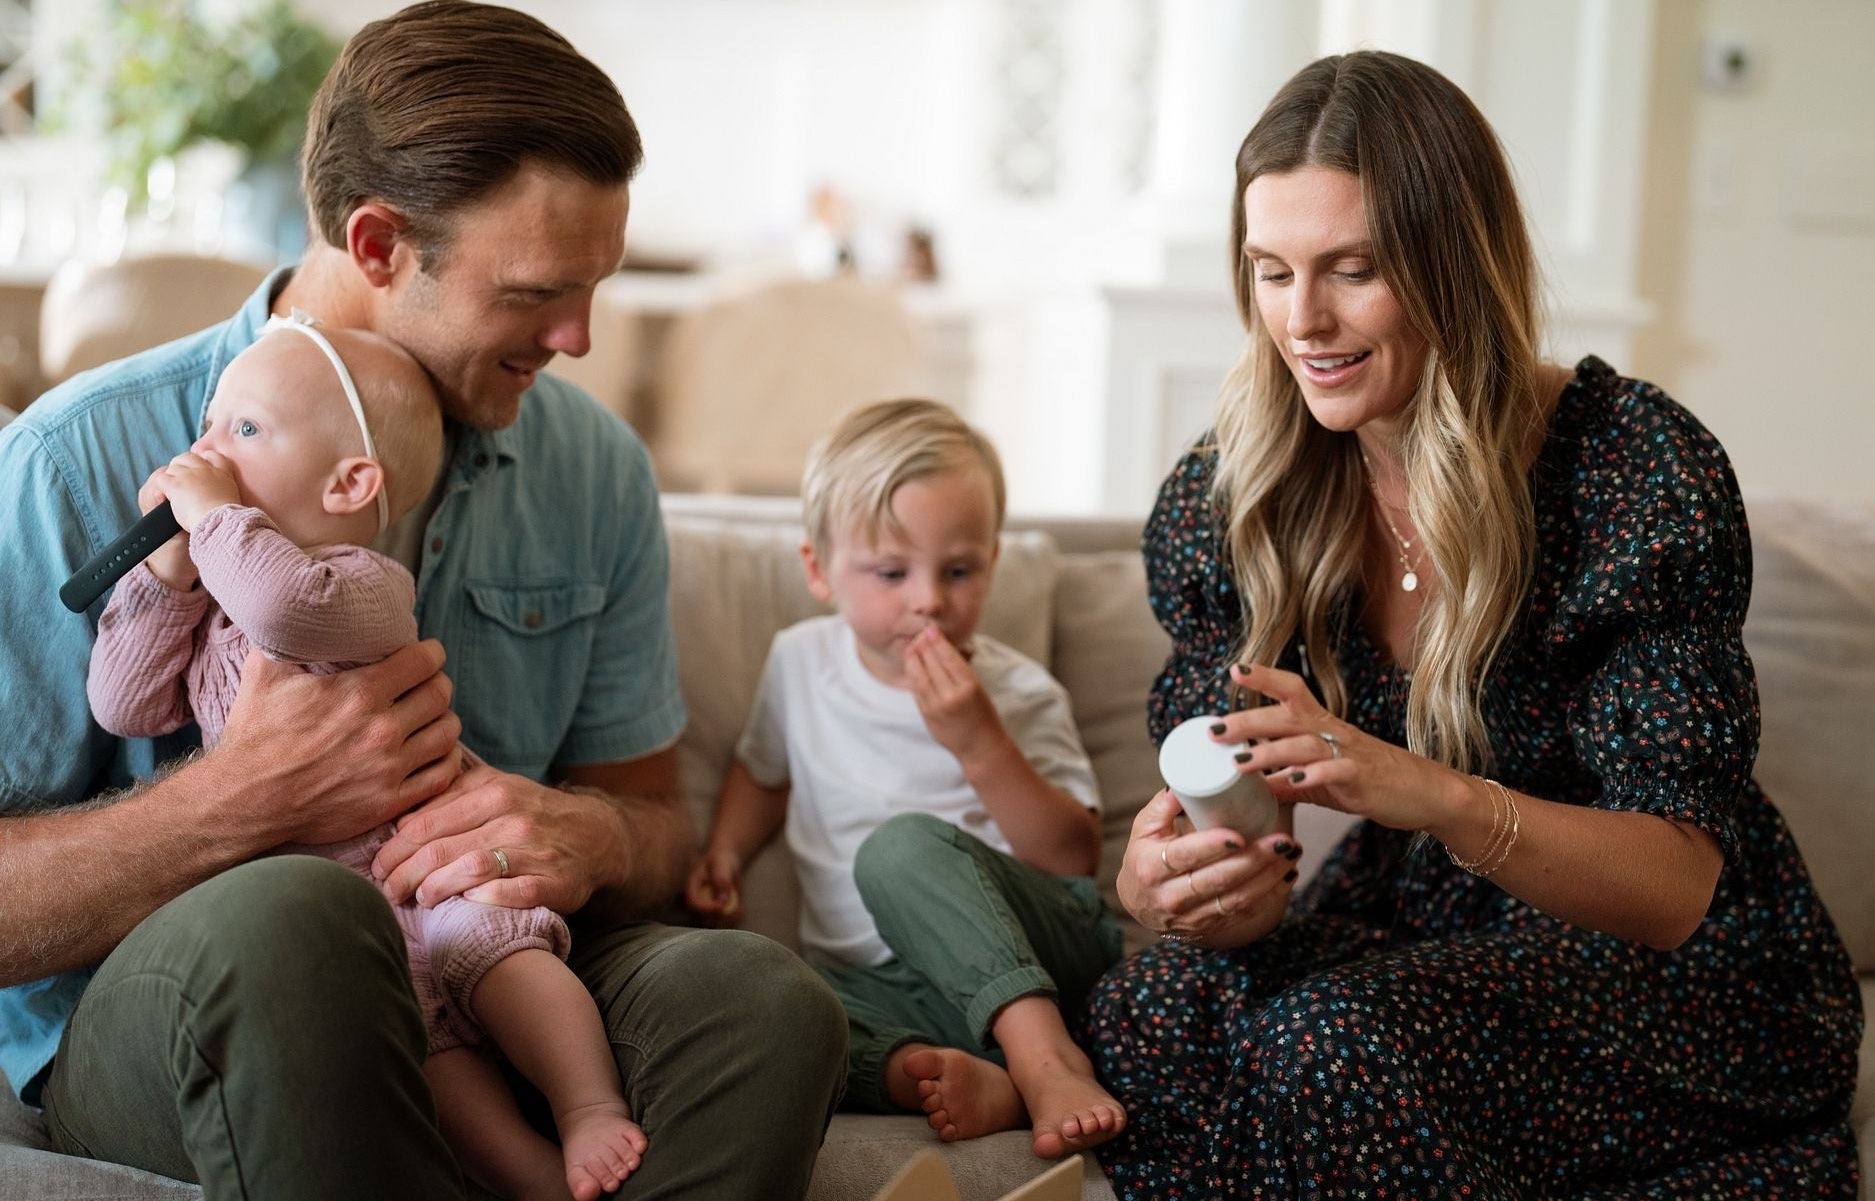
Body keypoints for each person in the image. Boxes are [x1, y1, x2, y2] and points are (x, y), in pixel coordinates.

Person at [0, 4, 846, 1199]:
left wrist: (586, 834)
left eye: (594, 289)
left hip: (479, 961)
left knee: (758, 1001)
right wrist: (234, 805)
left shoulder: (590, 469)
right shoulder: (84, 459)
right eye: (539, 293)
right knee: (297, 924)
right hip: (176, 1005)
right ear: (380, 241)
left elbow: (654, 820)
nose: (580, 338)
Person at [1078, 50, 1863, 1198]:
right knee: (1150, 1010)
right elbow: (1218, 807)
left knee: (1332, 1045)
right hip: (1427, 935)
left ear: (1452, 261)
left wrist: (1423, 789)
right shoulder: (1241, 489)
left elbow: (1676, 885)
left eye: (1354, 269)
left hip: (1679, 976)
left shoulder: (1630, 468)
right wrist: (1173, 886)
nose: (1306, 322)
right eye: (1272, 271)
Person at [86, 317, 648, 1201]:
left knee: (503, 964)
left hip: (437, 875)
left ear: (350, 483)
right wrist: (165, 574)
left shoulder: (361, 584)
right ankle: (535, 1175)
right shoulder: (211, 615)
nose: (207, 451)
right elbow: (123, 702)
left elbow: (282, 606)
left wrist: (211, 516)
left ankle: (586, 1105)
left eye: (244, 431)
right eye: (210, 424)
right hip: (348, 930)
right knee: (421, 1060)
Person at [683, 399, 1126, 1159]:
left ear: (991, 559)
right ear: (819, 571)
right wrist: (724, 851)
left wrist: (978, 742)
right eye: (892, 571)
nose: (928, 598)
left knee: (897, 851)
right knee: (776, 1006)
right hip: (887, 983)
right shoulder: (799, 663)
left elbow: (1069, 858)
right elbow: (763, 773)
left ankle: (1043, 1056)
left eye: (959, 569)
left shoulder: (1016, 693)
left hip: (1040, 946)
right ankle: (956, 1076)